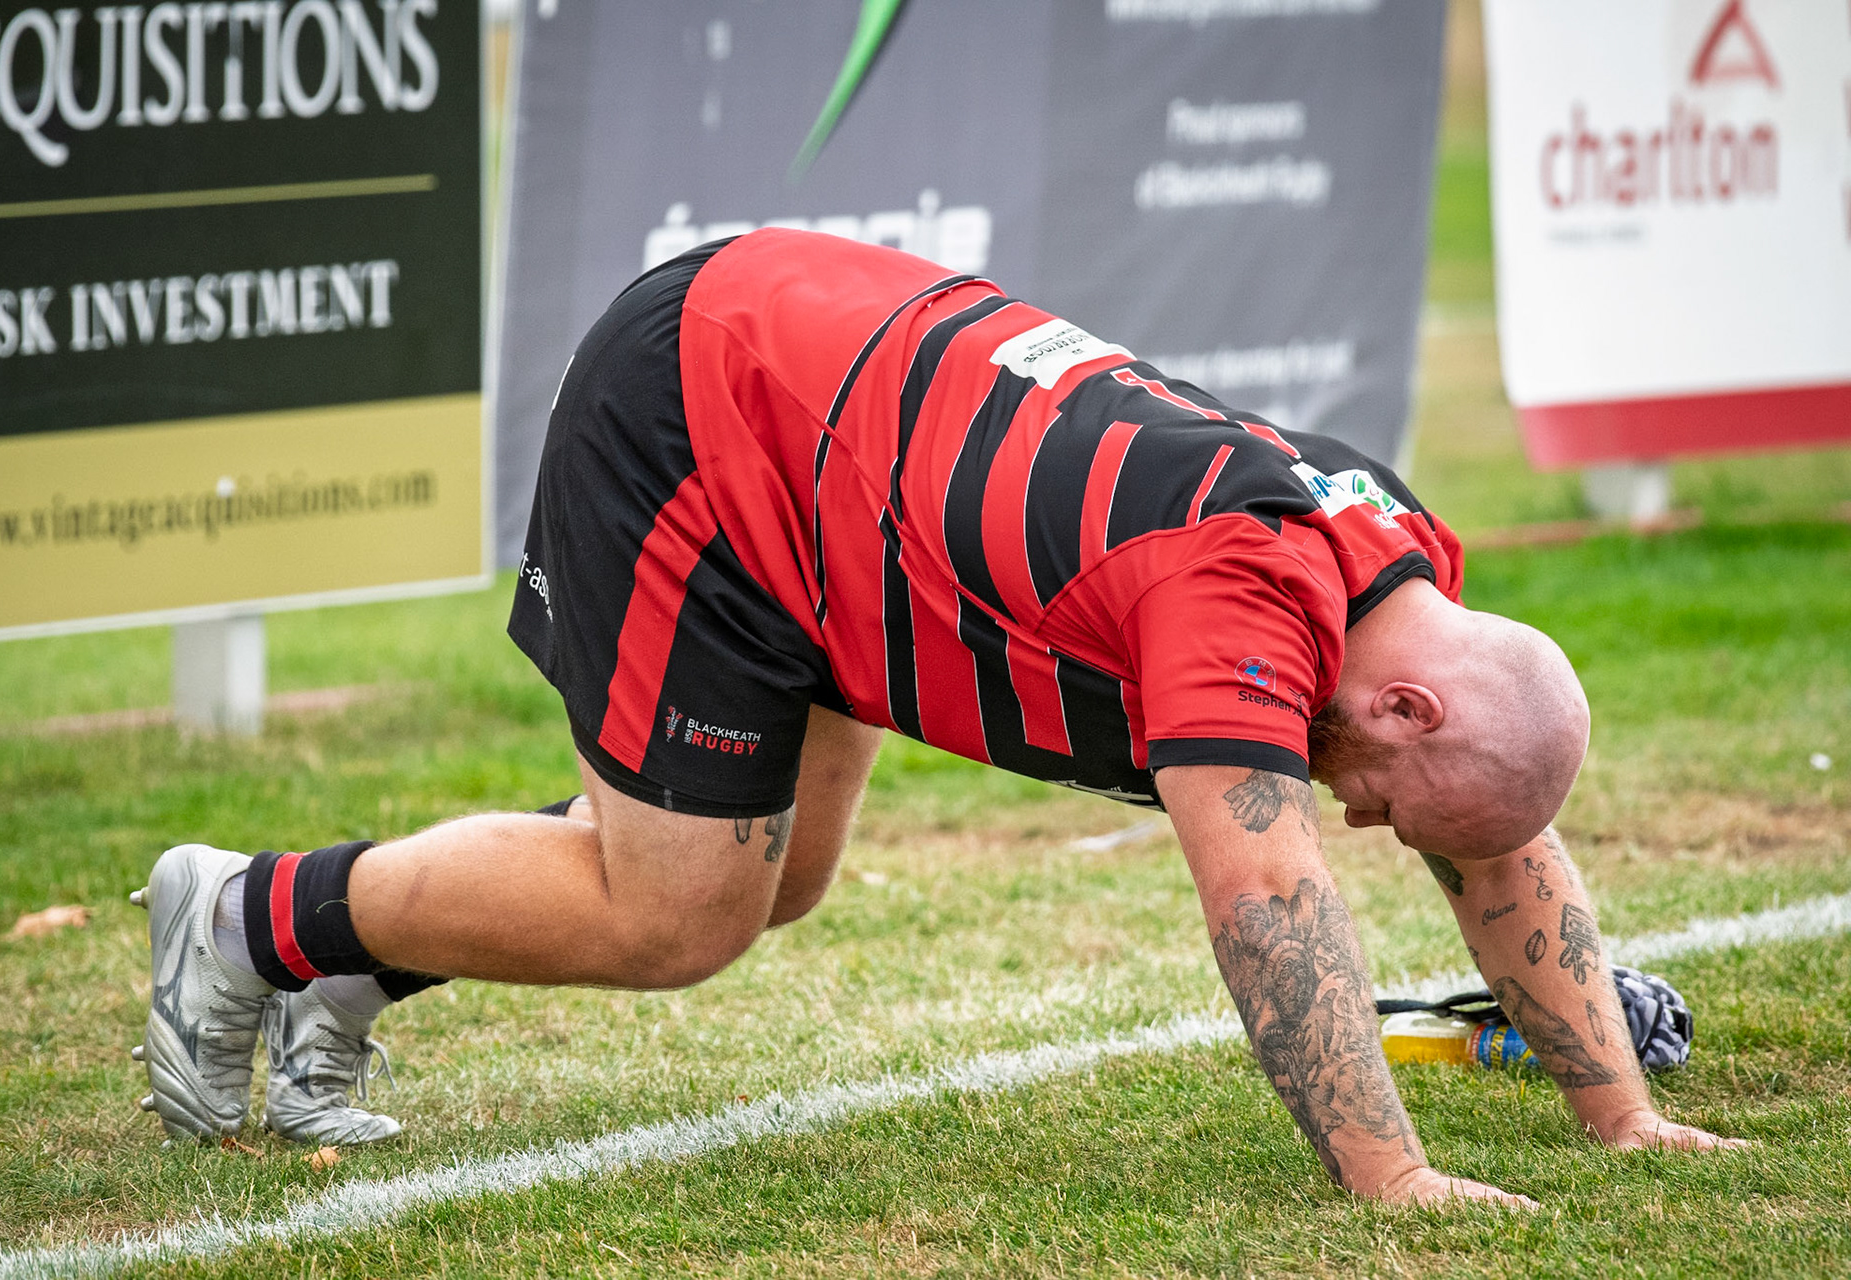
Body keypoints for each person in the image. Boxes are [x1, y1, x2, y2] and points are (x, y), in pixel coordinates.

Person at [131, 230, 1744, 1198]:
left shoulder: (1401, 573)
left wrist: (1624, 1123)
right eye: (1390, 798)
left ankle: (331, 952)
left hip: (838, 453)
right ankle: (245, 923)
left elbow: (1501, 847)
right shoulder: (1238, 599)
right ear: (1407, 697)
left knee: (775, 879)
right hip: (710, 419)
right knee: (679, 913)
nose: (1369, 822)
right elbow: (1267, 891)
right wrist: (1392, 1182)